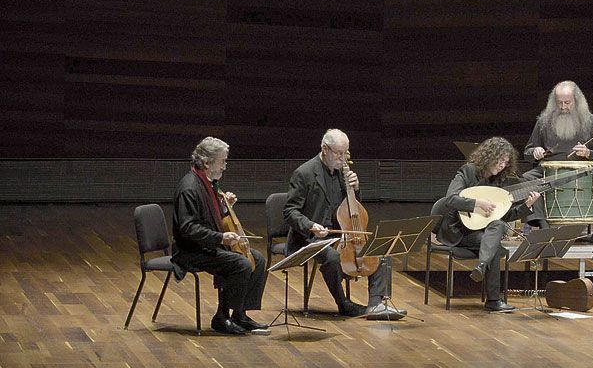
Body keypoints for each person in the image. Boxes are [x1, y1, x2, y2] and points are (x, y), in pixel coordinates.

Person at [284, 129, 405, 319]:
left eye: (345, 153)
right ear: (324, 149)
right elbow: (290, 212)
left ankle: (376, 304)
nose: (343, 158)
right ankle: (343, 304)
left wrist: (355, 190)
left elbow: (352, 209)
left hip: (342, 235)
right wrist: (310, 225)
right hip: (312, 237)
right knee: (332, 258)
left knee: (381, 251)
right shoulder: (304, 173)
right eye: (338, 153)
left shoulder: (344, 174)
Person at [172, 137, 269, 335]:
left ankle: (239, 314)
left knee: (256, 259)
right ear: (207, 163)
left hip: (207, 245)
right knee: (240, 263)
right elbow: (188, 229)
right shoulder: (189, 188)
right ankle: (222, 317)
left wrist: (225, 206)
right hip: (191, 251)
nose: (225, 166)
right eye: (223, 161)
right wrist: (221, 238)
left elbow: (210, 215)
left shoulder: (208, 183)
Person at [431, 137, 541, 313]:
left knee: (498, 225)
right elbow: (451, 198)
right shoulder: (468, 171)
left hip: (481, 233)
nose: (502, 165)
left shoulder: (498, 182)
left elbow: (505, 215)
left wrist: (527, 206)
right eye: (500, 160)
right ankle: (493, 300)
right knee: (495, 246)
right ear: (489, 156)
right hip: (457, 231)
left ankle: (482, 266)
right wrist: (476, 203)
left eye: (506, 162)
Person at [520, 81, 593, 245]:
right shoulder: (543, 122)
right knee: (525, 180)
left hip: (583, 172)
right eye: (559, 102)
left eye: (567, 102)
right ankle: (544, 228)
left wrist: (588, 153)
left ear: (577, 101)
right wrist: (535, 153)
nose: (563, 106)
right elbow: (527, 152)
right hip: (549, 173)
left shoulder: (590, 121)